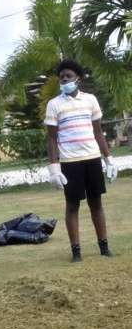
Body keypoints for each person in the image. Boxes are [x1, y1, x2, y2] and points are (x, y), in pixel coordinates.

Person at [44, 59, 117, 262]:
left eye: (68, 76)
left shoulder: (90, 100)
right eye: (62, 77)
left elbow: (97, 131)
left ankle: (104, 247)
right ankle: (76, 251)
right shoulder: (54, 104)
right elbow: (51, 137)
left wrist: (108, 158)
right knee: (72, 205)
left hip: (92, 158)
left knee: (96, 203)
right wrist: (54, 167)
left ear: (78, 79)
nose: (64, 80)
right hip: (70, 161)